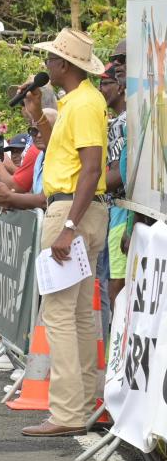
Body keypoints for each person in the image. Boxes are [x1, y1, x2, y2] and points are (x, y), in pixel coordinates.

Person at [17, 28, 109, 438]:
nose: (47, 65)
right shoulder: (78, 101)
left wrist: (69, 226)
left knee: (58, 313)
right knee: (76, 315)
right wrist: (37, 115)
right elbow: (64, 152)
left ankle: (69, 412)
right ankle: (84, 404)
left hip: (71, 211)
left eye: (52, 59)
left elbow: (92, 167)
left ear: (65, 65)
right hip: (75, 209)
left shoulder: (86, 103)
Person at [99, 40, 128, 311]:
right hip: (113, 212)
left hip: (123, 212)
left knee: (116, 289)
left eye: (105, 83)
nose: (101, 89)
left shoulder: (127, 120)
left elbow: (119, 174)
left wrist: (88, 187)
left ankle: (117, 351)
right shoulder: (114, 121)